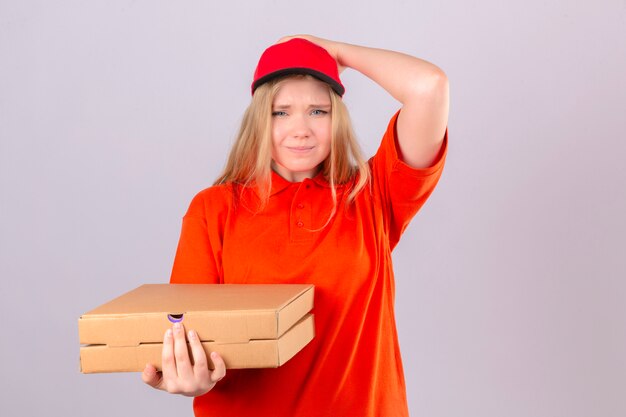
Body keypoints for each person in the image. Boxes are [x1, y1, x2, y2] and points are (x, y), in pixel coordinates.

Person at [142, 34, 449, 417]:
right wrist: (191, 377)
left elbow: (430, 87)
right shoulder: (214, 209)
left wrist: (336, 53)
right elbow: (186, 334)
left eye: (318, 111)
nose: (301, 128)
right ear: (258, 120)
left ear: (337, 119)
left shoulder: (370, 195)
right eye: (281, 112)